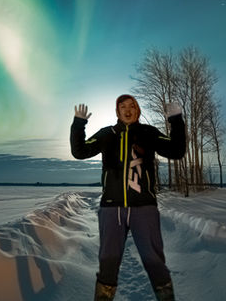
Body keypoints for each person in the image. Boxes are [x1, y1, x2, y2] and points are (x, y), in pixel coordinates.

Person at [70, 94, 186, 301]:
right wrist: (79, 124)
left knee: (154, 260)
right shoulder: (107, 134)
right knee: (108, 261)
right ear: (117, 111)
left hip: (144, 208)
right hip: (111, 209)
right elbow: (80, 152)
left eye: (132, 105)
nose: (127, 109)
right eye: (122, 106)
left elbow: (176, 151)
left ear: (137, 110)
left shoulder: (148, 133)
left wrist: (176, 120)